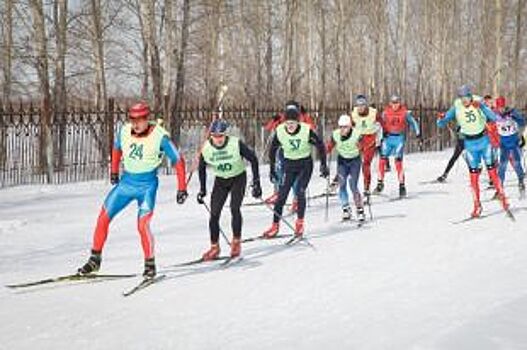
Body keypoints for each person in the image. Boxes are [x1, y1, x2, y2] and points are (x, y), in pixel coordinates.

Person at [78, 102, 188, 279]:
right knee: (103, 218)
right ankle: (94, 260)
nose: (136, 123)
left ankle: (150, 264)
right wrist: (113, 171)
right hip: (126, 183)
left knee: (142, 225)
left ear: (147, 118)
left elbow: (178, 160)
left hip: (147, 186)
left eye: (140, 119)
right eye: (132, 119)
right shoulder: (124, 130)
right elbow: (116, 149)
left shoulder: (160, 136)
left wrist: (182, 188)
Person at [437, 85, 509, 217]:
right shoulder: (457, 105)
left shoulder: (479, 101)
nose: (464, 101)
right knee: (473, 176)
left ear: (470, 96)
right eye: (462, 98)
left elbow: (494, 117)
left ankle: (503, 198)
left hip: (484, 142)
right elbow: (442, 123)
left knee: (492, 171)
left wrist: (481, 107)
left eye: (466, 98)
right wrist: (441, 118)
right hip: (469, 145)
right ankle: (477, 205)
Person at [197, 119, 261, 260]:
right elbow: (201, 168)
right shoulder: (207, 148)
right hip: (221, 180)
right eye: (215, 136)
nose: (218, 139)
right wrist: (202, 189)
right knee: (214, 214)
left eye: (221, 135)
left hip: (238, 178)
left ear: (226, 135)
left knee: (234, 208)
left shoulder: (235, 143)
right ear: (211, 136)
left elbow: (253, 159)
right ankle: (214, 247)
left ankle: (236, 242)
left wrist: (256, 182)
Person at [262, 103, 329, 238]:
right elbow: (272, 150)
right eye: (288, 123)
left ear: (298, 122)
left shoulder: (305, 130)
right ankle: (275, 226)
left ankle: (299, 224)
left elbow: (320, 145)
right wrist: (272, 169)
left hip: (305, 165)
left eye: (293, 123)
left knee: (300, 192)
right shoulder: (280, 131)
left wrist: (323, 164)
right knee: (281, 196)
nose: (290, 126)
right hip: (289, 166)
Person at [263, 101, 316, 213]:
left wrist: (306, 116)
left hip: (300, 153)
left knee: (296, 178)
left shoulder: (302, 118)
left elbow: (312, 128)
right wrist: (274, 120)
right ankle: (278, 192)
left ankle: (296, 199)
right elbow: (269, 128)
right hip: (285, 151)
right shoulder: (285, 117)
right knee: (280, 171)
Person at [374, 95, 420, 197]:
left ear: (399, 103)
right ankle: (380, 183)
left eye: (397, 103)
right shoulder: (386, 112)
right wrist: (378, 134)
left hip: (399, 138)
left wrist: (418, 133)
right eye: (393, 103)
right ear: (390, 103)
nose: (395, 105)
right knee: (382, 160)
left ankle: (402, 186)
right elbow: (379, 123)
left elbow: (413, 122)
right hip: (388, 138)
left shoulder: (404, 112)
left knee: (398, 162)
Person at [326, 114, 366, 222]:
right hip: (342, 161)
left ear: (350, 126)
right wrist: (328, 148)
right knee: (342, 184)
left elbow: (363, 145)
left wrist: (361, 147)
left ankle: (360, 208)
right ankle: (346, 208)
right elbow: (330, 144)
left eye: (345, 127)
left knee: (353, 185)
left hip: (354, 161)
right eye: (341, 127)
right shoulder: (335, 134)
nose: (343, 130)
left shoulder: (357, 134)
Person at [350, 95, 382, 203]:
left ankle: (366, 190)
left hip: (370, 141)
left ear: (366, 104)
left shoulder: (373, 113)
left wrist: (380, 138)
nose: (360, 107)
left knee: (366, 165)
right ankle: (340, 182)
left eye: (363, 104)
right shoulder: (353, 113)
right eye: (358, 105)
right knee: (352, 163)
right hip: (358, 140)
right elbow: (349, 127)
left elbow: (382, 124)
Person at [494, 96, 526, 196]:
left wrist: (515, 117)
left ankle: (521, 181)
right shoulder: (494, 114)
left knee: (516, 163)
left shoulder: (512, 112)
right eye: (499, 107)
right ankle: (500, 188)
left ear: (504, 105)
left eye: (502, 107)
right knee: (502, 165)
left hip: (514, 142)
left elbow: (522, 122)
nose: (501, 109)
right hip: (503, 144)